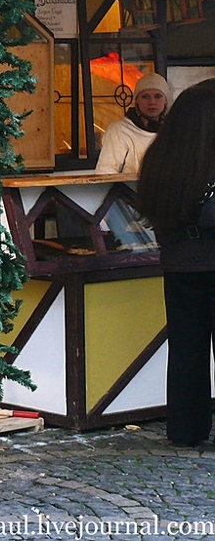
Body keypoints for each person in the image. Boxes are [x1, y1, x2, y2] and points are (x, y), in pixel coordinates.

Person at [136, 78, 215, 447]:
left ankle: (186, 429)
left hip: (180, 262)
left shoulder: (161, 158)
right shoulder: (207, 160)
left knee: (186, 349)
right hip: (209, 257)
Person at [96, 72, 170, 175]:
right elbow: (106, 172)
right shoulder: (119, 130)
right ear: (137, 101)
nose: (152, 102)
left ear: (165, 100)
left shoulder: (174, 130)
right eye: (145, 96)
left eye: (158, 96)